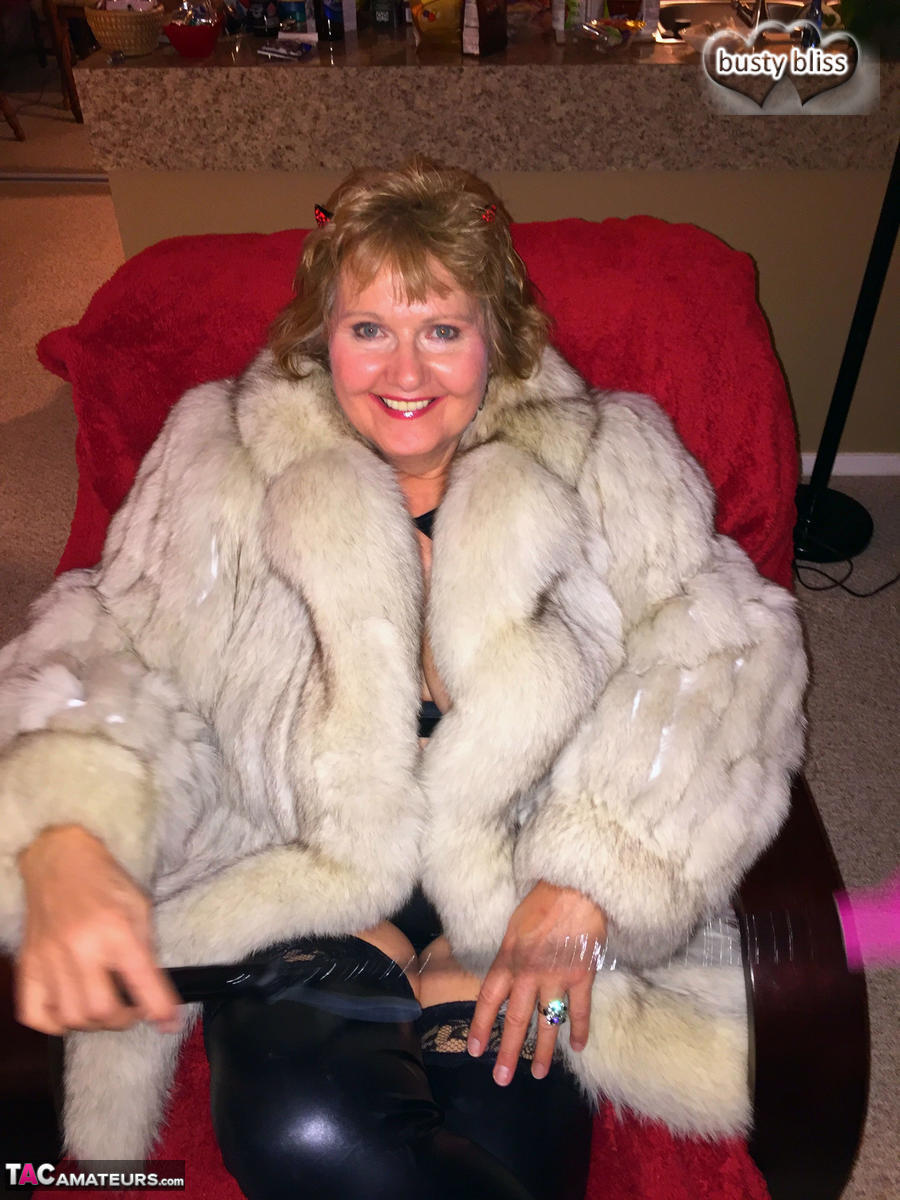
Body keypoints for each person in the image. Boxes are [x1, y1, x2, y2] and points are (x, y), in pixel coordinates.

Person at [0, 159, 807, 1199]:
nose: (406, 370)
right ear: (321, 335)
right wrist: (67, 831)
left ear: (497, 335)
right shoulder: (221, 456)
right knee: (310, 1137)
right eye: (370, 327)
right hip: (299, 886)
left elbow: (724, 654)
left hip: (526, 909)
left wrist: (592, 878)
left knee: (513, 1146)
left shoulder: (613, 455)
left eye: (443, 329)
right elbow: (110, 642)